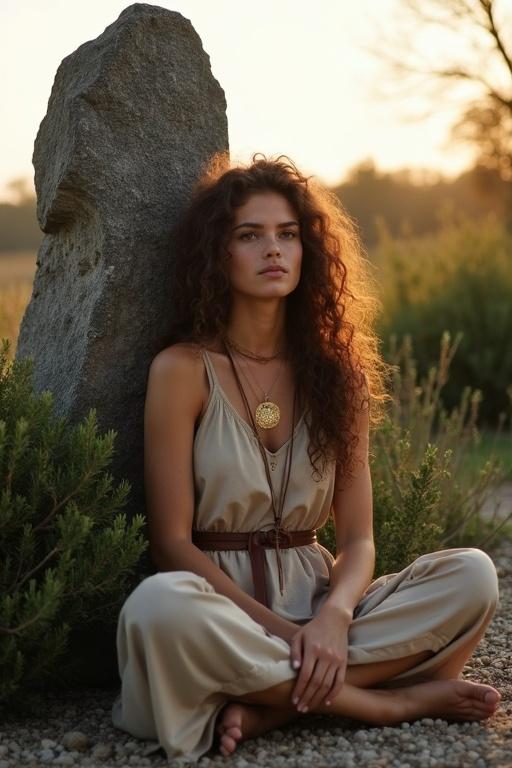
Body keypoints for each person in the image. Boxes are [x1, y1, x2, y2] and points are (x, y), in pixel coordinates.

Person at [111, 153, 501, 763]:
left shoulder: (337, 376)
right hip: (220, 607)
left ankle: (262, 707)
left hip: (319, 604)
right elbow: (172, 546)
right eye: (250, 235)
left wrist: (333, 621)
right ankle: (382, 701)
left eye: (288, 235)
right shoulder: (183, 371)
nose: (274, 249)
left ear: (307, 251)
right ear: (219, 253)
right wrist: (287, 636)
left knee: (472, 575)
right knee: (157, 609)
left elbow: (359, 540)